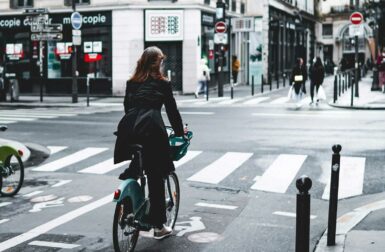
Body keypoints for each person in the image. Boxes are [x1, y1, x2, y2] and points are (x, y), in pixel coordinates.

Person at [114, 46, 184, 239]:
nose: (162, 64)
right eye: (161, 61)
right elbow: (172, 111)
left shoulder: (132, 82)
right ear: (157, 63)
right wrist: (180, 132)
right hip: (153, 132)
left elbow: (127, 108)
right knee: (156, 176)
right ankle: (159, 227)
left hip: (130, 129)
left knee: (136, 168)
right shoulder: (163, 83)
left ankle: (128, 209)